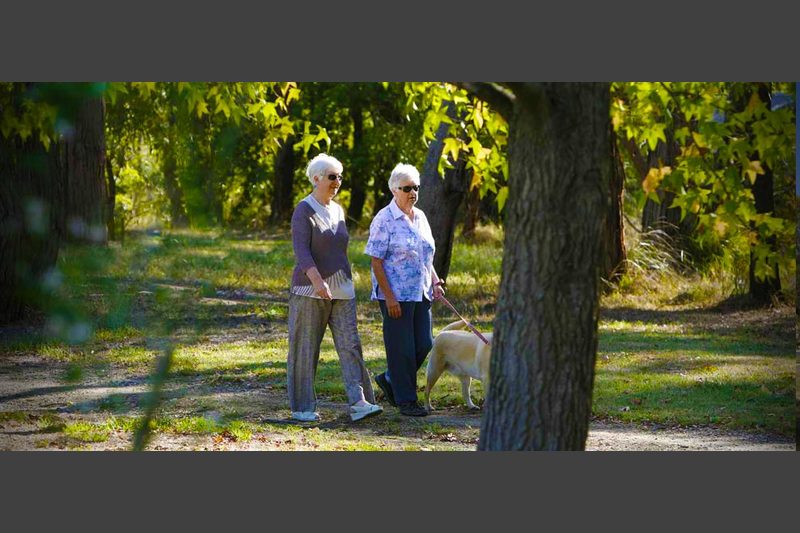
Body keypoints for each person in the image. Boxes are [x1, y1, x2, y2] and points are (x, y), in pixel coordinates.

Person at [287, 153, 382, 422]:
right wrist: (318, 282)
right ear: (316, 179)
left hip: (342, 289)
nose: (337, 181)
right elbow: (302, 252)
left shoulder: (338, 210)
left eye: (340, 176)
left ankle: (360, 402)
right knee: (306, 348)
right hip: (309, 290)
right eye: (332, 177)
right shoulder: (303, 210)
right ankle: (303, 407)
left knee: (351, 345)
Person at [365, 163, 445, 417]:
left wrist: (434, 281)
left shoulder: (420, 216)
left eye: (416, 188)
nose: (413, 193)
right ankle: (407, 401)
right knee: (402, 350)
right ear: (393, 190)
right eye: (407, 188)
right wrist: (389, 297)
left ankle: (390, 379)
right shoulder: (384, 219)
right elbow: (376, 261)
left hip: (420, 292)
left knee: (424, 343)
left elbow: (425, 255)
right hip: (395, 295)